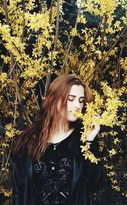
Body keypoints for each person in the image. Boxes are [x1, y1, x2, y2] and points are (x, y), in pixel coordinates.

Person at [11, 74, 103, 205]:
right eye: (71, 99)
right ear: (54, 99)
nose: (77, 105)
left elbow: (95, 184)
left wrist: (89, 142)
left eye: (81, 100)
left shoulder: (83, 139)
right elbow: (18, 193)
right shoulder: (28, 141)